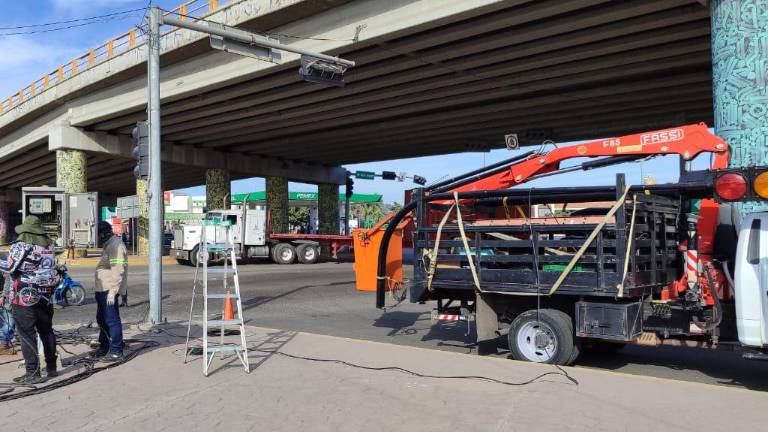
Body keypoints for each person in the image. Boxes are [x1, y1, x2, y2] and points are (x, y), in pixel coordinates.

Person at [0, 216, 60, 384]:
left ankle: (32, 372)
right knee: (46, 331)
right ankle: (51, 367)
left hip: (24, 296)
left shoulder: (21, 245)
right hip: (46, 295)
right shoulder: (49, 245)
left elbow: (10, 267)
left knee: (27, 333)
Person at [94, 221, 127, 362]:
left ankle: (116, 351)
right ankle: (104, 346)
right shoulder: (108, 245)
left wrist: (113, 292)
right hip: (102, 289)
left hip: (109, 289)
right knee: (101, 319)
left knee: (112, 320)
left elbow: (118, 270)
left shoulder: (116, 245)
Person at [0, 274, 15, 355]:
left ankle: (4, 344)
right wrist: (3, 296)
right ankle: (3, 345)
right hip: (10, 298)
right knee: (9, 321)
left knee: (9, 321)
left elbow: (7, 280)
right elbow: (7, 281)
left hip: (11, 297)